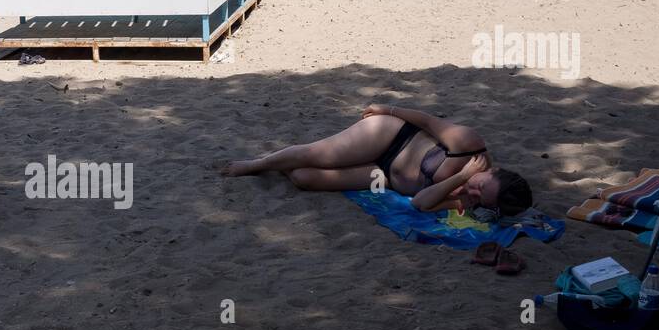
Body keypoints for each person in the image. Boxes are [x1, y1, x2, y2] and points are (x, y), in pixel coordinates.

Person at [223, 104, 533, 216]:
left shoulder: (474, 197)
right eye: (482, 186)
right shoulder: (468, 145)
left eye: (483, 199)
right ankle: (255, 164)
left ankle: (279, 164)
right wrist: (388, 110)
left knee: (304, 178)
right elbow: (426, 121)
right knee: (315, 154)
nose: (475, 194)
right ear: (496, 171)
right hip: (390, 137)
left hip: (382, 175)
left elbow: (421, 203)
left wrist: (464, 180)